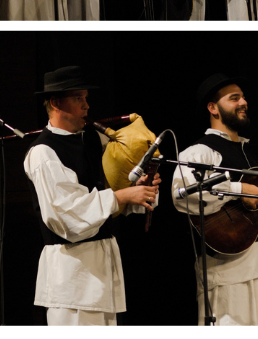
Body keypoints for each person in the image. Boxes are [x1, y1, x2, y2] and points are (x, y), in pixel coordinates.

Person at [23, 66, 160, 325]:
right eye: (78, 99)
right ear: (55, 103)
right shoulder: (43, 152)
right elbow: (67, 216)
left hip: (102, 272)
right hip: (71, 279)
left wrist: (139, 188)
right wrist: (121, 196)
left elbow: (114, 193)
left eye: (86, 98)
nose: (87, 106)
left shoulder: (95, 140)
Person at [172, 74, 258, 325]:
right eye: (234, 98)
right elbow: (184, 194)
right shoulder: (200, 151)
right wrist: (240, 188)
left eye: (243, 97)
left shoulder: (252, 156)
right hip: (232, 271)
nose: (244, 102)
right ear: (213, 108)